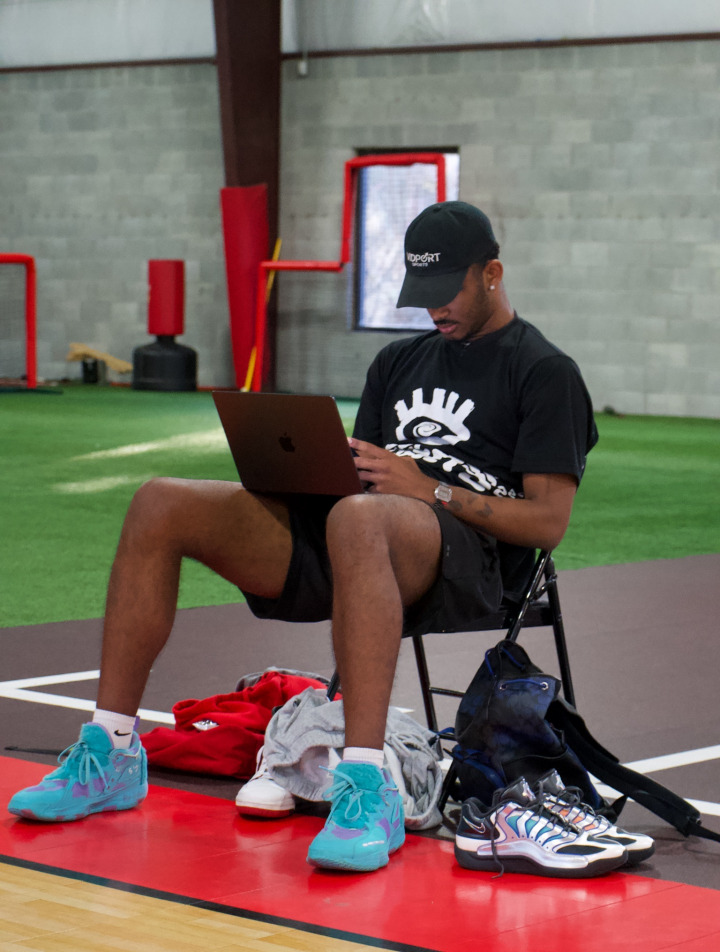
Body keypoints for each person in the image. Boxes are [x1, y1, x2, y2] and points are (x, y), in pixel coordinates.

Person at [8, 201, 598, 875]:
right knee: (159, 501)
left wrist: (428, 488)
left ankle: (367, 785)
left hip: (472, 562)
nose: (434, 308)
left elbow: (547, 523)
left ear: (491, 274)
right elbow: (361, 483)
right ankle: (110, 752)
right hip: (364, 535)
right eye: (421, 293)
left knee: (360, 517)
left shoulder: (544, 371)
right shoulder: (397, 362)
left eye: (447, 291)